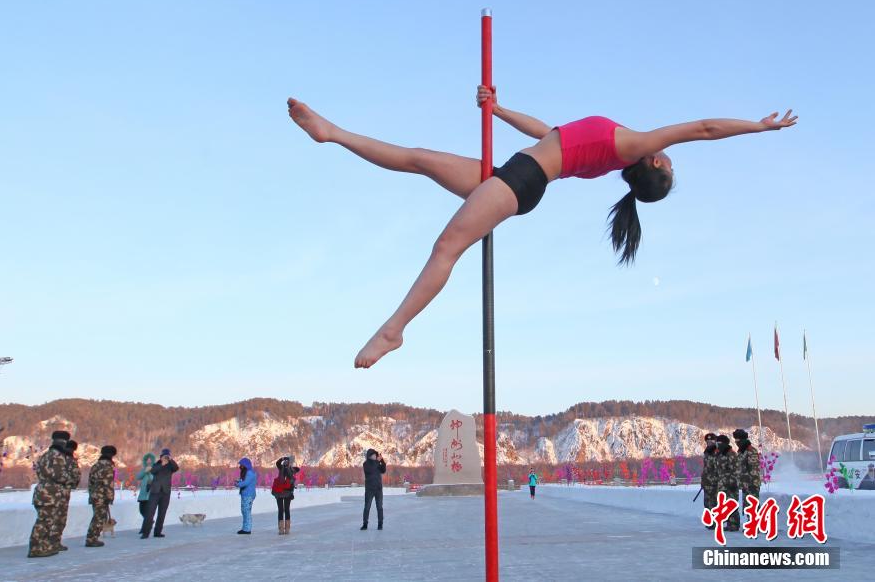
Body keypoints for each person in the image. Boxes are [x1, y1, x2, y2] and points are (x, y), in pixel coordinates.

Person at [287, 94, 797, 368]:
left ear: (655, 163)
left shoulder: (632, 141)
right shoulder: (610, 147)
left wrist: (759, 127)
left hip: (521, 181)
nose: (668, 153)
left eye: (668, 162)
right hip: (514, 171)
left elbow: (703, 128)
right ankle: (330, 133)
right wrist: (499, 107)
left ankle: (394, 330)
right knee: (419, 159)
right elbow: (549, 133)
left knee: (447, 246)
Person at [27, 430, 71, 558]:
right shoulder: (58, 456)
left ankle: (42, 546)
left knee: (44, 520)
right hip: (51, 493)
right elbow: (59, 475)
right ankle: (36, 548)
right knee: (44, 522)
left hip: (41, 490)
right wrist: (67, 477)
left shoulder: (45, 455)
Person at [50, 439, 81, 552]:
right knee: (60, 519)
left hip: (49, 492)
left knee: (50, 518)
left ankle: (46, 542)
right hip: (63, 493)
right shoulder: (70, 460)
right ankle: (54, 542)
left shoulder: (54, 457)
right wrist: (71, 484)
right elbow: (75, 476)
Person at [141, 448, 178, 539]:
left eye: (167, 456)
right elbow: (153, 471)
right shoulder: (156, 464)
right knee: (150, 513)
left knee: (162, 513)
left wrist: (170, 459)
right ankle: (145, 533)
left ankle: (157, 532)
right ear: (161, 457)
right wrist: (162, 464)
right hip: (155, 492)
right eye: (164, 456)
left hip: (165, 493)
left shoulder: (171, 466)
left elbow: (176, 468)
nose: (165, 458)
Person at [86, 445, 116, 547]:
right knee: (99, 518)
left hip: (94, 494)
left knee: (96, 516)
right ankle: (92, 539)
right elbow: (108, 484)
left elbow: (90, 482)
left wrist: (92, 494)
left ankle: (92, 537)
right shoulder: (107, 466)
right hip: (102, 496)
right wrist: (110, 497)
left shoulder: (96, 465)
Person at [715, 434, 740, 532]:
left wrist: (733, 482)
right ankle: (729, 523)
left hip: (731, 484)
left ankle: (734, 524)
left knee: (732, 503)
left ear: (724, 444)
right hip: (722, 484)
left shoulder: (731, 454)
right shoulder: (720, 454)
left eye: (719, 443)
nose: (717, 445)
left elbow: (736, 470)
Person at [733, 428, 761, 509]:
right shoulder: (741, 451)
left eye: (737, 440)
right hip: (745, 485)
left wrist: (746, 482)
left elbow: (754, 469)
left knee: (753, 508)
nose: (736, 442)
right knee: (748, 508)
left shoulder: (751, 451)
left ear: (742, 440)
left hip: (752, 485)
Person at [272, 455, 300, 535]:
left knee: (281, 510)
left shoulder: (282, 468)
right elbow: (298, 469)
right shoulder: (291, 470)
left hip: (280, 492)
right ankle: (286, 529)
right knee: (286, 510)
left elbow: (277, 463)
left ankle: (282, 529)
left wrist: (283, 459)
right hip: (286, 492)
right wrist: (290, 466)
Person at [360, 449, 386, 530]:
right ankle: (365, 524)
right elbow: (371, 469)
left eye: (376, 455)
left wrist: (382, 461)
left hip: (378, 489)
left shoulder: (377, 463)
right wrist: (378, 461)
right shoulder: (366, 464)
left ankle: (380, 524)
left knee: (379, 507)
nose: (375, 456)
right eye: (374, 455)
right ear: (369, 456)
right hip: (369, 490)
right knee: (367, 507)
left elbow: (383, 470)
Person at [700, 432, 719, 528]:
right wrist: (703, 480)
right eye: (707, 441)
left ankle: (715, 522)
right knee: (707, 503)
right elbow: (706, 468)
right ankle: (710, 521)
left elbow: (718, 468)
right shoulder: (707, 452)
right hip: (707, 482)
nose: (709, 443)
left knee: (714, 503)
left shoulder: (718, 452)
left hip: (714, 482)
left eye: (711, 441)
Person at [236, 457, 257, 535]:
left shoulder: (249, 473)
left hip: (248, 494)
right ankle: (245, 528)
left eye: (241, 465)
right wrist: (239, 481)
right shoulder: (247, 473)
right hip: (246, 494)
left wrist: (238, 484)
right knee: (244, 511)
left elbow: (246, 483)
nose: (240, 467)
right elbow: (244, 481)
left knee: (246, 512)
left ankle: (247, 529)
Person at [136, 452, 156, 527]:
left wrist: (150, 472)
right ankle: (149, 521)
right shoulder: (144, 469)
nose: (149, 461)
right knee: (141, 511)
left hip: (150, 494)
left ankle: (146, 526)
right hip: (142, 494)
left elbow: (154, 479)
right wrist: (145, 471)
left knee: (148, 512)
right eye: (147, 460)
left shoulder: (155, 469)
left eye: (150, 460)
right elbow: (138, 477)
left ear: (153, 461)